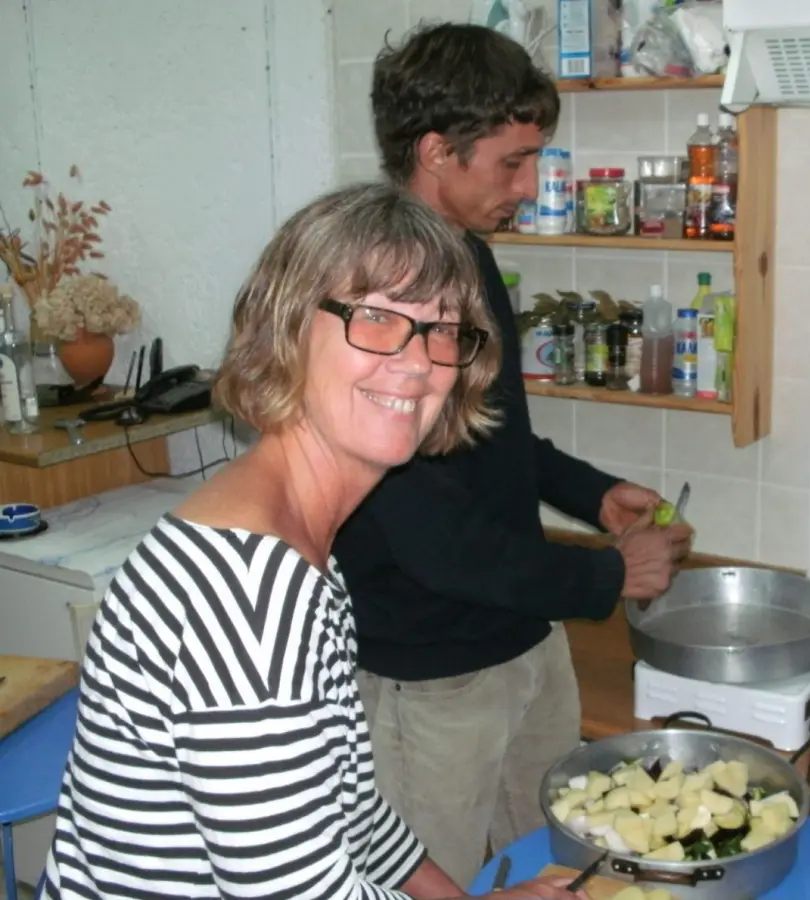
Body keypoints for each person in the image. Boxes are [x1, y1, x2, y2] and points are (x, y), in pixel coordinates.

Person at [43, 183, 585, 900]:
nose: (418, 362)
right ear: (287, 329)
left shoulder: (300, 545)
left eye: (443, 330)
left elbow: (352, 806)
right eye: (377, 318)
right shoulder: (248, 598)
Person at [332, 23, 693, 885]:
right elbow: (434, 540)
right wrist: (607, 575)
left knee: (556, 868)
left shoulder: (467, 261)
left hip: (525, 639)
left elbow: (488, 433)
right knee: (438, 884)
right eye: (513, 162)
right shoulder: (378, 307)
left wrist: (591, 492)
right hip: (432, 678)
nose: (528, 187)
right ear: (436, 152)